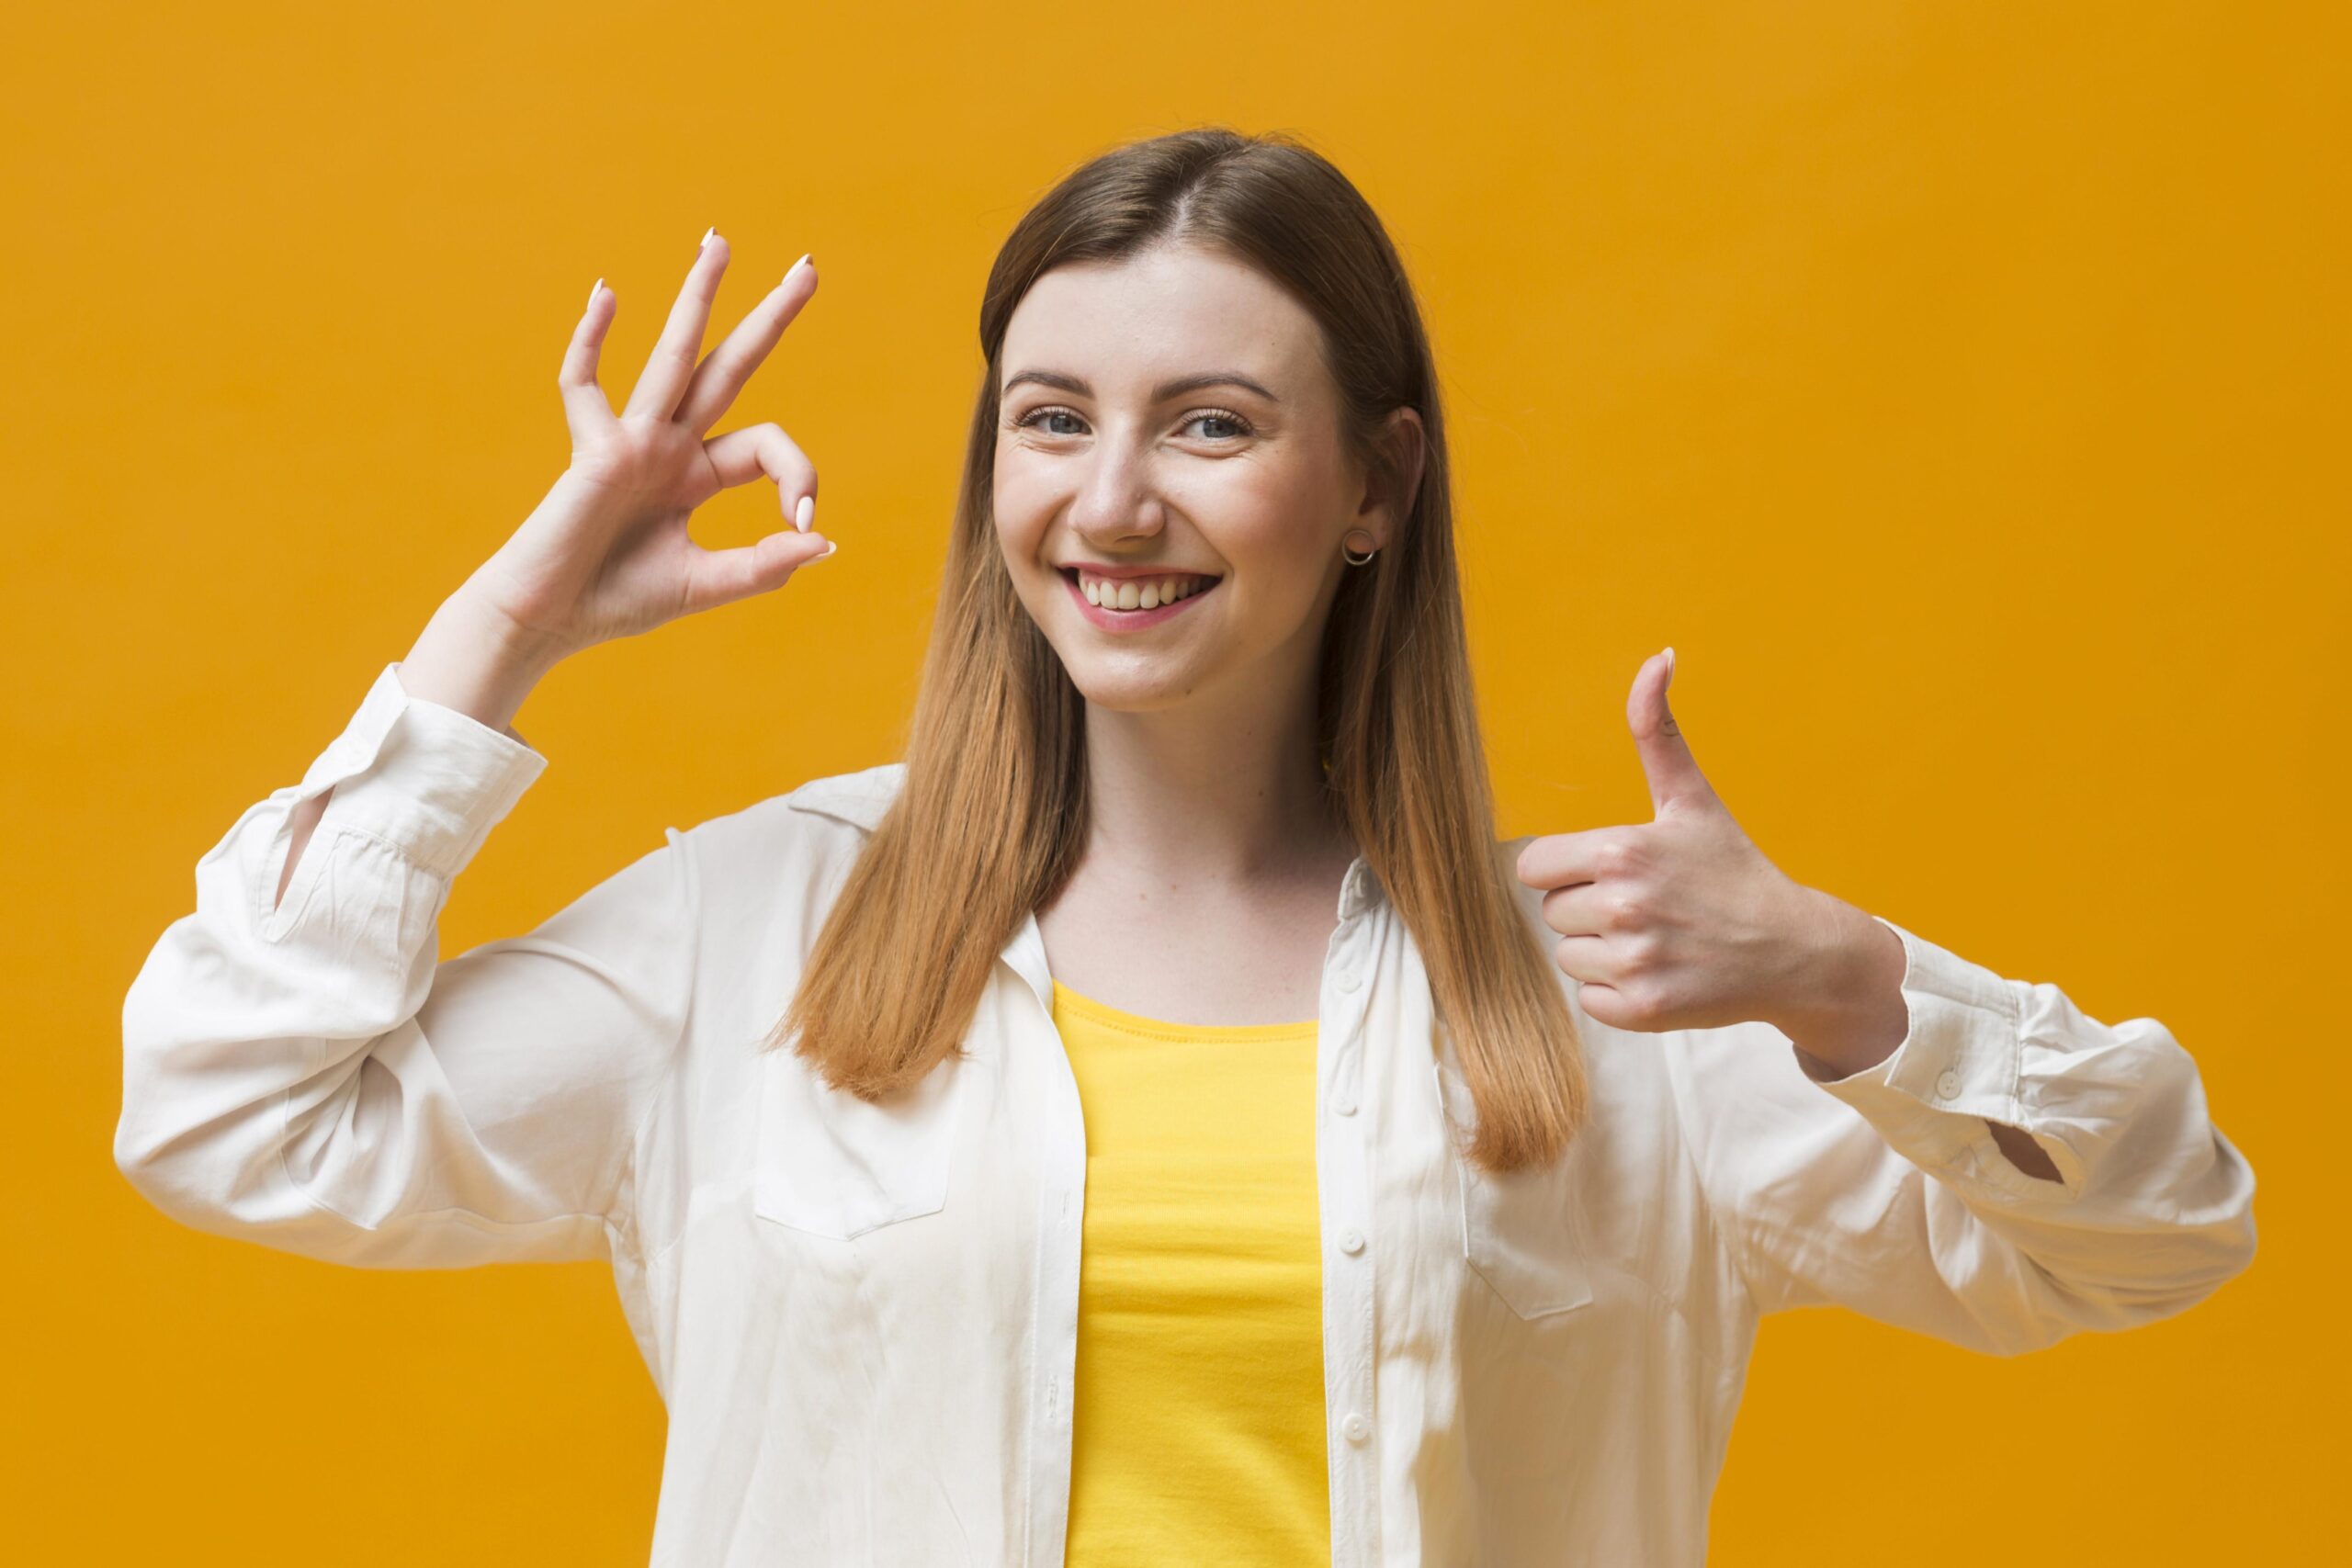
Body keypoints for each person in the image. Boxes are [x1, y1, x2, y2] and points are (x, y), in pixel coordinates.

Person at [115, 127, 2258, 1566]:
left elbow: (2150, 1233)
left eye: (1208, 423)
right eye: (1050, 418)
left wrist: (1848, 987)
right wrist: (501, 628)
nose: (1111, 499)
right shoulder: (764, 927)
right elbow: (226, 1109)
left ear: (1373, 483)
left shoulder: (1611, 990)